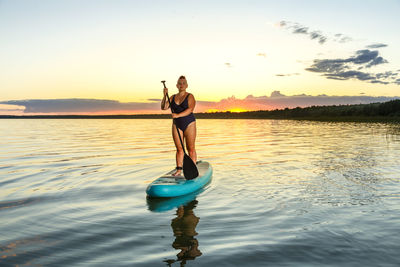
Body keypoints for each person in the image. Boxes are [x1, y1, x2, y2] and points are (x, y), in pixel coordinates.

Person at [161, 75, 197, 176]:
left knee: (190, 148)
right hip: (177, 124)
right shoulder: (172, 97)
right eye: (179, 83)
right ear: (177, 85)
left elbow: (190, 109)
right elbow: (164, 107)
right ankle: (179, 170)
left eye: (183, 83)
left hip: (189, 123)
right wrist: (165, 95)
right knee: (179, 149)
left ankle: (193, 169)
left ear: (187, 85)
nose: (181, 85)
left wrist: (177, 115)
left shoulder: (190, 96)